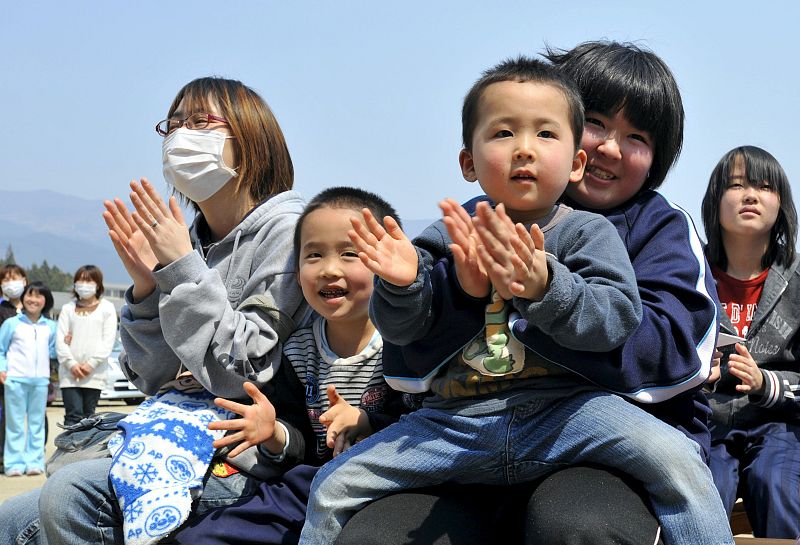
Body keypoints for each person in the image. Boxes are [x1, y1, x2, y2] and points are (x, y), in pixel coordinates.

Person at [299, 56, 731, 545]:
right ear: (468, 161)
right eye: (597, 123)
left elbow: (628, 324)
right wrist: (409, 286)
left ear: (573, 162)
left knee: (673, 460)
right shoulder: (451, 231)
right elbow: (404, 341)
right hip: (455, 423)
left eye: (637, 137)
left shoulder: (599, 231)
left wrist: (544, 287)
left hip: (568, 414)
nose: (525, 149)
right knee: (331, 486)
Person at [0, 76, 308, 545]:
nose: (181, 134)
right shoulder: (194, 239)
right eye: (174, 124)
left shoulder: (288, 233)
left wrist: (182, 269)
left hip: (243, 447)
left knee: (68, 495)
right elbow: (153, 378)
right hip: (167, 434)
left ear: (251, 138)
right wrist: (146, 290)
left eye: (200, 121)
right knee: (10, 519)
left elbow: (240, 374)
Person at [172, 186, 419, 544]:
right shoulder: (298, 350)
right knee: (201, 537)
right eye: (313, 255)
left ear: (387, 257)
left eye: (350, 253)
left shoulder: (404, 344)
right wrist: (274, 433)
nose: (328, 269)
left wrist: (365, 422)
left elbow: (424, 427)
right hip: (309, 482)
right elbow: (299, 443)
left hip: (387, 486)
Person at [701, 145, 799, 539]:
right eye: (736, 185)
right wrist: (691, 374)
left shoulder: (796, 281)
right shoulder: (688, 271)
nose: (750, 195)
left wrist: (765, 384)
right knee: (706, 487)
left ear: (781, 203)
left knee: (776, 482)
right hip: (706, 424)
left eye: (764, 186)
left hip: (780, 426)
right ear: (715, 201)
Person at [0, 281, 56, 477]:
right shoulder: (11, 324)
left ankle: (34, 462)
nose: (33, 299)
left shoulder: (51, 326)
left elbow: (53, 352)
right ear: (23, 298)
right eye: (29, 295)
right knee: (14, 424)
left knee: (36, 423)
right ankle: (13, 463)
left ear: (45, 300)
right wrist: (2, 369)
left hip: (40, 380)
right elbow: (1, 350)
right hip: (15, 379)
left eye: (38, 296)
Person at [56, 265, 119, 426]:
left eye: (88, 280)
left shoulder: (107, 308)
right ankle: (69, 451)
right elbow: (60, 341)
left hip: (94, 373)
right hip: (69, 374)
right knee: (72, 416)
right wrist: (71, 364)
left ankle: (85, 451)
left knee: (89, 418)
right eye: (80, 280)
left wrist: (90, 365)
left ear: (97, 284)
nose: (84, 285)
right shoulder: (68, 308)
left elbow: (108, 341)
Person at [0, 264, 27, 472]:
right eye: (6, 279)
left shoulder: (33, 307)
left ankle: (31, 458)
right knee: (8, 416)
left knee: (35, 417)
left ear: (24, 281)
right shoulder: (2, 310)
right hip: (7, 373)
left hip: (33, 374)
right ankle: (5, 457)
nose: (11, 283)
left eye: (15, 278)